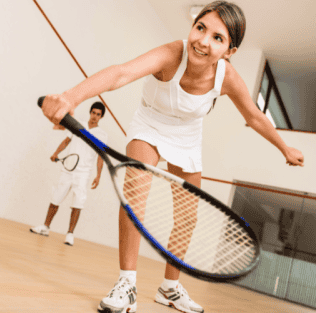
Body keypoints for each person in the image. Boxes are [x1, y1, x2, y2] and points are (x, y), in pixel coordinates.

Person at [39, 1, 305, 312]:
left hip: (188, 135)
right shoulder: (171, 53)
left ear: (230, 51)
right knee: (135, 199)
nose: (203, 41)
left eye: (218, 38)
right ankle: (127, 283)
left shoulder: (226, 77)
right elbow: (120, 74)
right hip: (150, 124)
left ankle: (170, 288)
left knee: (187, 217)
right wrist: (71, 97)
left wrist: (284, 147)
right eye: (201, 28)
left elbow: (255, 116)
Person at [30, 102, 108, 246]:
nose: (95, 116)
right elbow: (66, 141)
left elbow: (100, 156)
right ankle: (45, 227)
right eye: (93, 113)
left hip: (83, 174)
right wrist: (56, 153)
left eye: (98, 114)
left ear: (101, 117)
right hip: (68, 170)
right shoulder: (78, 125)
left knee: (77, 203)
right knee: (55, 198)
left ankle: (70, 234)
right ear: (90, 113)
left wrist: (98, 176)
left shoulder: (102, 135)